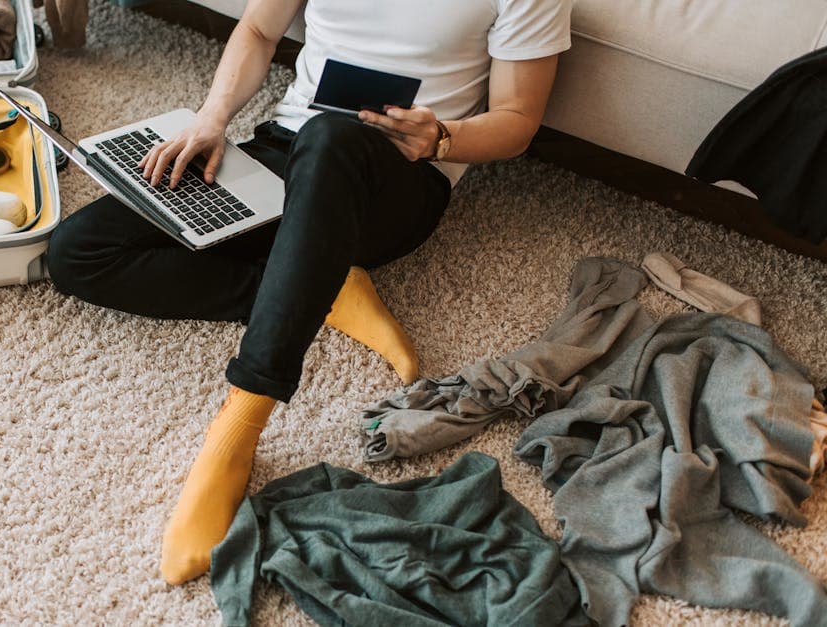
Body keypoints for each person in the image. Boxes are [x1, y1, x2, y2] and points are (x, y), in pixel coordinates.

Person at [46, 0, 573, 585]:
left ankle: (238, 427)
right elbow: (258, 28)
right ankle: (321, 285)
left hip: (400, 181)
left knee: (332, 137)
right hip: (286, 151)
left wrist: (442, 138)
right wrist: (211, 116)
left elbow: (518, 119)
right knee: (76, 254)